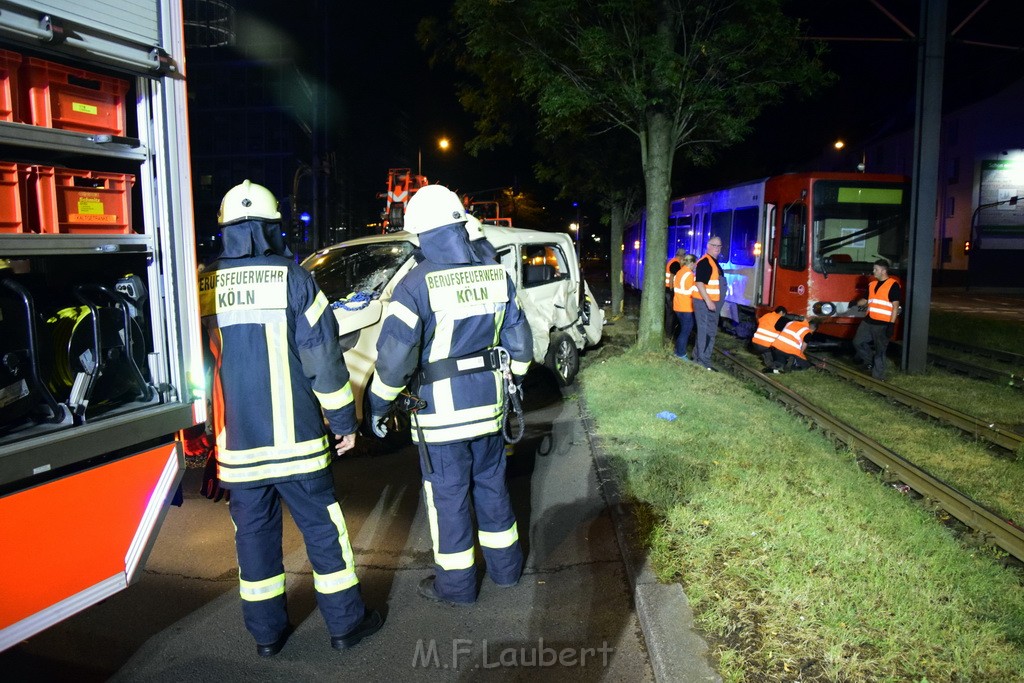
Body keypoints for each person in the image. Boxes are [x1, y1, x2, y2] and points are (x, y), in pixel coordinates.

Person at [198, 180, 383, 657]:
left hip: (236, 445)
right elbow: (323, 358)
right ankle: (345, 626)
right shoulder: (295, 279)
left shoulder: (206, 285)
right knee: (323, 531)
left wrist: (201, 430)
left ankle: (266, 637)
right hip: (299, 443)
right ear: (272, 226)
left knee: (254, 540)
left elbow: (197, 366)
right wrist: (343, 421)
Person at [367, 184, 533, 605]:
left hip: (440, 416)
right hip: (490, 409)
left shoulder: (414, 284)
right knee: (493, 488)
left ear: (422, 233)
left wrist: (379, 405)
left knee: (449, 500)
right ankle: (507, 572)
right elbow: (521, 345)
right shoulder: (497, 274)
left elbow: (393, 361)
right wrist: (510, 379)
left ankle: (457, 589)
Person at [853, 258, 901, 380]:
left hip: (883, 324)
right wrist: (855, 303)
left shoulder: (893, 285)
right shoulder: (872, 284)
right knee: (857, 342)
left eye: (876, 269)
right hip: (869, 321)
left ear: (883, 271)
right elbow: (865, 300)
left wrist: (891, 324)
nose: (873, 271)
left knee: (880, 351)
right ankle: (870, 361)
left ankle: (878, 378)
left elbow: (895, 307)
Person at [691, 236, 725, 371]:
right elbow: (699, 283)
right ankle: (703, 362)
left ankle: (700, 358)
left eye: (719, 246)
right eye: (714, 245)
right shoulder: (705, 262)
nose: (717, 248)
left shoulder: (713, 262)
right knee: (705, 331)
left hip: (710, 303)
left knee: (709, 331)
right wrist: (709, 301)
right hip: (704, 303)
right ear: (708, 246)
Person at [671, 253, 697, 360]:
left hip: (677, 306)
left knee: (682, 330)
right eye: (695, 264)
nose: (695, 266)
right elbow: (693, 291)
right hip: (686, 307)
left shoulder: (679, 273)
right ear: (691, 263)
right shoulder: (690, 275)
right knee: (685, 331)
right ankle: (680, 354)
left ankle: (678, 351)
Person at [664, 248, 685, 338]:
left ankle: (669, 332)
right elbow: (672, 277)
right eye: (684, 256)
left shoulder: (672, 261)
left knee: (670, 313)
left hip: (668, 289)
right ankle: (669, 333)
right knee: (671, 313)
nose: (684, 258)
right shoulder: (676, 263)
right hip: (670, 291)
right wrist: (673, 290)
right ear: (681, 256)